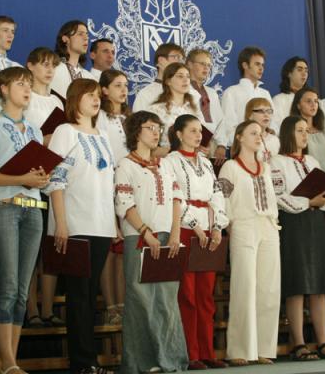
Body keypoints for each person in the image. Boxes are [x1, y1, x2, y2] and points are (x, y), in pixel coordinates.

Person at [0, 67, 49, 374]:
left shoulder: (34, 130)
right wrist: (21, 178)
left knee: (21, 290)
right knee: (6, 286)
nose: (27, 89)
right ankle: (6, 361)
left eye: (29, 84)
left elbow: (39, 175)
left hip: (32, 208)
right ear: (4, 89)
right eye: (20, 84)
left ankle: (12, 362)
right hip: (2, 207)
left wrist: (41, 178)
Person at [46, 79, 117, 374]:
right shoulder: (65, 131)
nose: (95, 99)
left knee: (90, 295)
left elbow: (109, 183)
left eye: (97, 95)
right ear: (75, 99)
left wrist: (114, 223)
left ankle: (90, 361)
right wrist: (61, 223)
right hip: (75, 223)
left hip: (102, 224)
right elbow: (56, 179)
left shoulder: (104, 135)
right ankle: (82, 362)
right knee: (78, 295)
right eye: (89, 95)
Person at [114, 111, 188, 374]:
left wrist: (176, 233)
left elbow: (177, 199)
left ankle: (171, 360)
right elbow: (124, 203)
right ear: (136, 131)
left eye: (158, 128)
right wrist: (146, 233)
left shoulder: (165, 164)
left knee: (167, 300)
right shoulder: (126, 165)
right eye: (150, 127)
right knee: (141, 300)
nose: (156, 132)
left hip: (167, 237)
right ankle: (143, 363)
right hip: (139, 238)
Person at [270, 116, 325, 361]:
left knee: (319, 284)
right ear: (288, 133)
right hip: (293, 223)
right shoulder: (276, 162)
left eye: (306, 131)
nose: (304, 135)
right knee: (297, 285)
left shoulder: (312, 161)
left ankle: (323, 342)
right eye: (299, 130)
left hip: (316, 222)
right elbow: (279, 197)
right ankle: (299, 343)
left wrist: (323, 200)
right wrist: (308, 201)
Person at [165, 115, 229, 370]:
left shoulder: (205, 161)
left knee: (206, 295)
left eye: (200, 130)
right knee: (188, 295)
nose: (198, 135)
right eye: (192, 130)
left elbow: (217, 194)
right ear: (179, 134)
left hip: (208, 230)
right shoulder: (170, 161)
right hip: (185, 229)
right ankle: (190, 354)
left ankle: (207, 352)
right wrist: (195, 226)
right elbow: (174, 197)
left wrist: (217, 227)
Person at [218, 120, 280, 366]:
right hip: (243, 225)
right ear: (239, 137)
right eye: (253, 133)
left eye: (260, 133)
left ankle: (264, 347)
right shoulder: (230, 167)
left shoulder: (265, 167)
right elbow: (221, 198)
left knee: (269, 289)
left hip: (269, 225)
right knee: (244, 286)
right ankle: (240, 349)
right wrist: (228, 225)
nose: (258, 136)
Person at [23, 47, 65, 328]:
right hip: (30, 176)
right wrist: (43, 138)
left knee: (51, 247)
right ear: (30, 66)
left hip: (55, 178)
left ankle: (48, 308)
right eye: (44, 65)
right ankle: (31, 310)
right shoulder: (26, 97)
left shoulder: (58, 101)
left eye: (53, 66)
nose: (49, 70)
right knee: (31, 248)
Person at [97, 69, 130, 325]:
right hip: (107, 184)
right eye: (117, 85)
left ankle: (123, 304)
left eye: (126, 85)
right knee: (109, 250)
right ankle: (110, 306)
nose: (123, 90)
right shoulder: (100, 117)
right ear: (104, 90)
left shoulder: (129, 118)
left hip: (127, 185)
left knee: (123, 251)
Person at [220, 46, 275, 144]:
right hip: (242, 147)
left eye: (262, 65)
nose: (261, 68)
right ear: (245, 65)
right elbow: (229, 128)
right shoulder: (231, 92)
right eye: (257, 64)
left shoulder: (265, 93)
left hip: (267, 147)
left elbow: (273, 123)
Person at [147, 63, 201, 156]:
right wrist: (172, 152)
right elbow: (148, 146)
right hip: (167, 158)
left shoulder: (194, 108)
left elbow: (202, 137)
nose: (185, 80)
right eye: (180, 76)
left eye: (188, 76)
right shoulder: (156, 109)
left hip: (192, 157)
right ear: (168, 81)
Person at [186, 49, 224, 161]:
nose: (206, 68)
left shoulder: (212, 92)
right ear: (189, 64)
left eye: (208, 65)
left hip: (211, 143)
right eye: (202, 64)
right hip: (190, 141)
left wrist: (221, 144)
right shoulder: (183, 90)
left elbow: (220, 120)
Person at [290, 86, 325, 173]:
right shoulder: (294, 132)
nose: (313, 105)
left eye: (316, 101)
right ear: (298, 105)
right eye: (308, 101)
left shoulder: (322, 131)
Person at [132, 43, 185, 112]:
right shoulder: (146, 94)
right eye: (176, 57)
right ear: (161, 60)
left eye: (182, 59)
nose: (180, 62)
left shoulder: (190, 91)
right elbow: (139, 118)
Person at [50, 20, 95, 97]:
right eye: (80, 34)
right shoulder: (52, 70)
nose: (86, 38)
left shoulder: (89, 77)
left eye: (87, 34)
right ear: (65, 39)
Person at [271, 57, 309, 129]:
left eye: (306, 71)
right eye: (299, 70)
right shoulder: (279, 99)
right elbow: (276, 126)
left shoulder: (313, 99)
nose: (304, 73)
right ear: (289, 73)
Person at [244, 98, 279, 163]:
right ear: (250, 115)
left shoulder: (275, 139)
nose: (266, 115)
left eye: (269, 111)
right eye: (261, 111)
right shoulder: (244, 139)